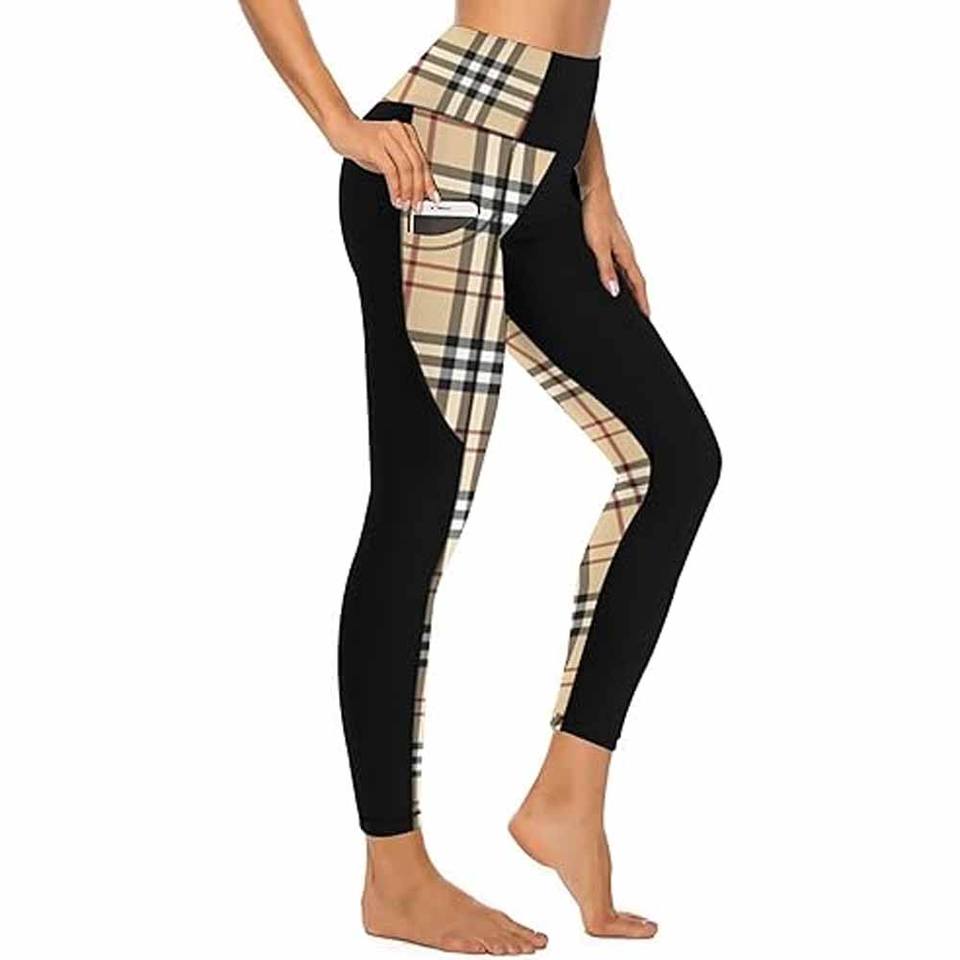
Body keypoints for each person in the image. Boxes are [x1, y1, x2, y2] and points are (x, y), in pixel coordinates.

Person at [240, 0, 721, 952]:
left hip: (547, 167)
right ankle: (395, 876)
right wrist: (338, 121)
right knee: (419, 509)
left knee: (677, 460)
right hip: (441, 163)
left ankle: (568, 795)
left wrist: (595, 182)